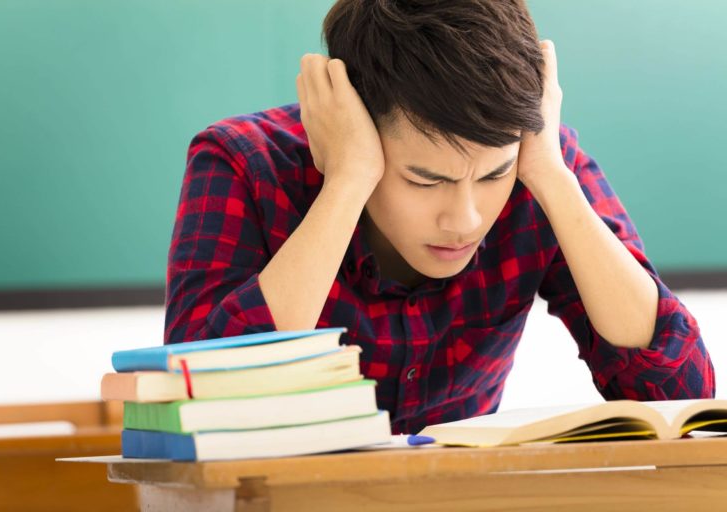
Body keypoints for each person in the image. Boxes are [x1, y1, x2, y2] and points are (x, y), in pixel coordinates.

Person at [164, 0, 714, 434]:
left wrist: (551, 180)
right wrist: (348, 180)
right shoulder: (244, 162)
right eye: (425, 180)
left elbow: (681, 398)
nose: (465, 219)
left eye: (492, 176)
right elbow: (198, 401)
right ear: (353, 119)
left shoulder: (541, 166)